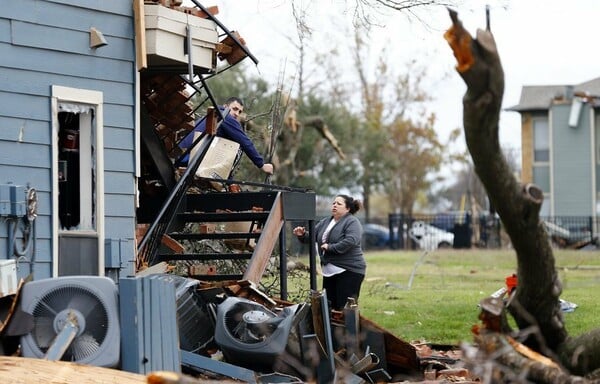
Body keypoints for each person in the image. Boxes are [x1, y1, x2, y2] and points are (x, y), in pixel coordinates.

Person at [293, 194, 366, 310]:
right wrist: (302, 235)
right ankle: (332, 329)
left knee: (344, 309)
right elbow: (313, 237)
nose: (335, 205)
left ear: (347, 208)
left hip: (349, 271)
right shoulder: (326, 221)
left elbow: (351, 241)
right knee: (329, 308)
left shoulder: (352, 222)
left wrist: (331, 247)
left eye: (339, 204)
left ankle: (348, 328)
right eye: (333, 203)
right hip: (329, 273)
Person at [178, 97, 273, 175]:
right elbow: (245, 142)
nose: (236, 114)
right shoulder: (225, 116)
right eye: (235, 109)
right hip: (188, 157)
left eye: (240, 112)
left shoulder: (213, 115)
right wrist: (262, 165)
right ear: (225, 107)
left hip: (181, 154)